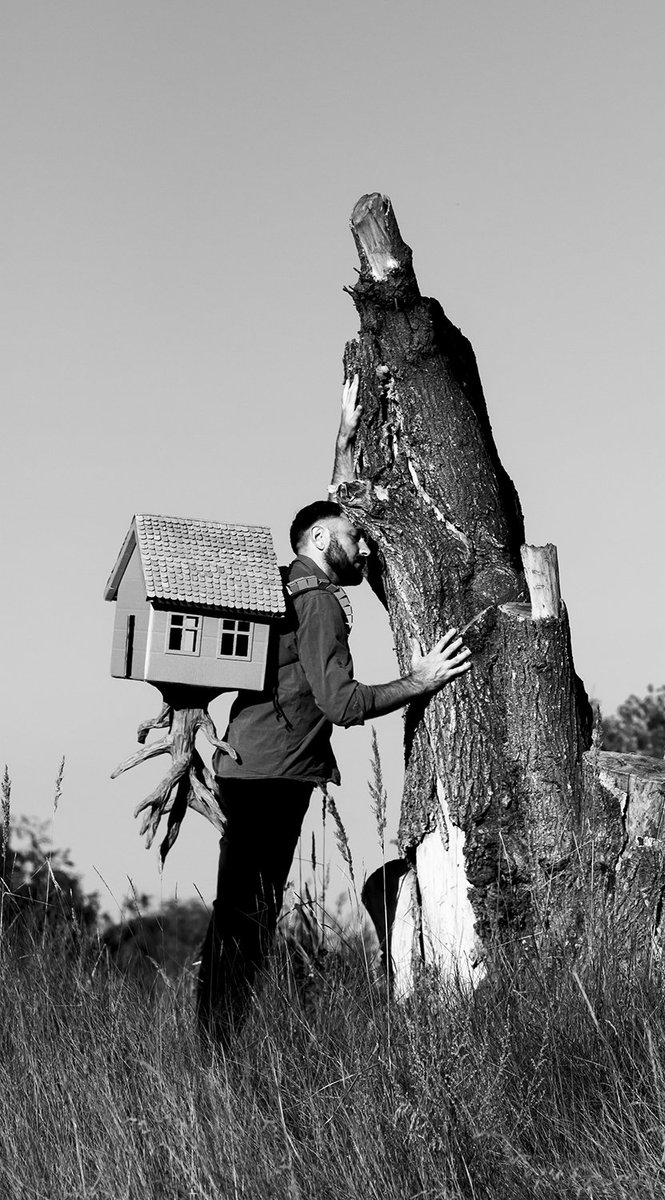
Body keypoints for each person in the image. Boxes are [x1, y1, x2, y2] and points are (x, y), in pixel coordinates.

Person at [196, 377, 471, 1044]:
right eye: (355, 537)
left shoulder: (284, 584)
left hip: (251, 769)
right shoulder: (316, 598)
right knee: (249, 918)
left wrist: (344, 437)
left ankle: (215, 1044)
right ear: (320, 539)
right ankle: (218, 1050)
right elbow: (343, 704)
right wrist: (422, 679)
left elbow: (330, 509)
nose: (367, 549)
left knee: (239, 914)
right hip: (273, 777)